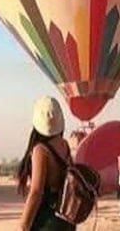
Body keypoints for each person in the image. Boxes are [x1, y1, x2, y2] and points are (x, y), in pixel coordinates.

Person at [15, 96, 74, 231]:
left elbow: (36, 191)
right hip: (65, 217)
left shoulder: (41, 150)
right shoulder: (64, 145)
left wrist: (23, 225)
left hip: (47, 218)